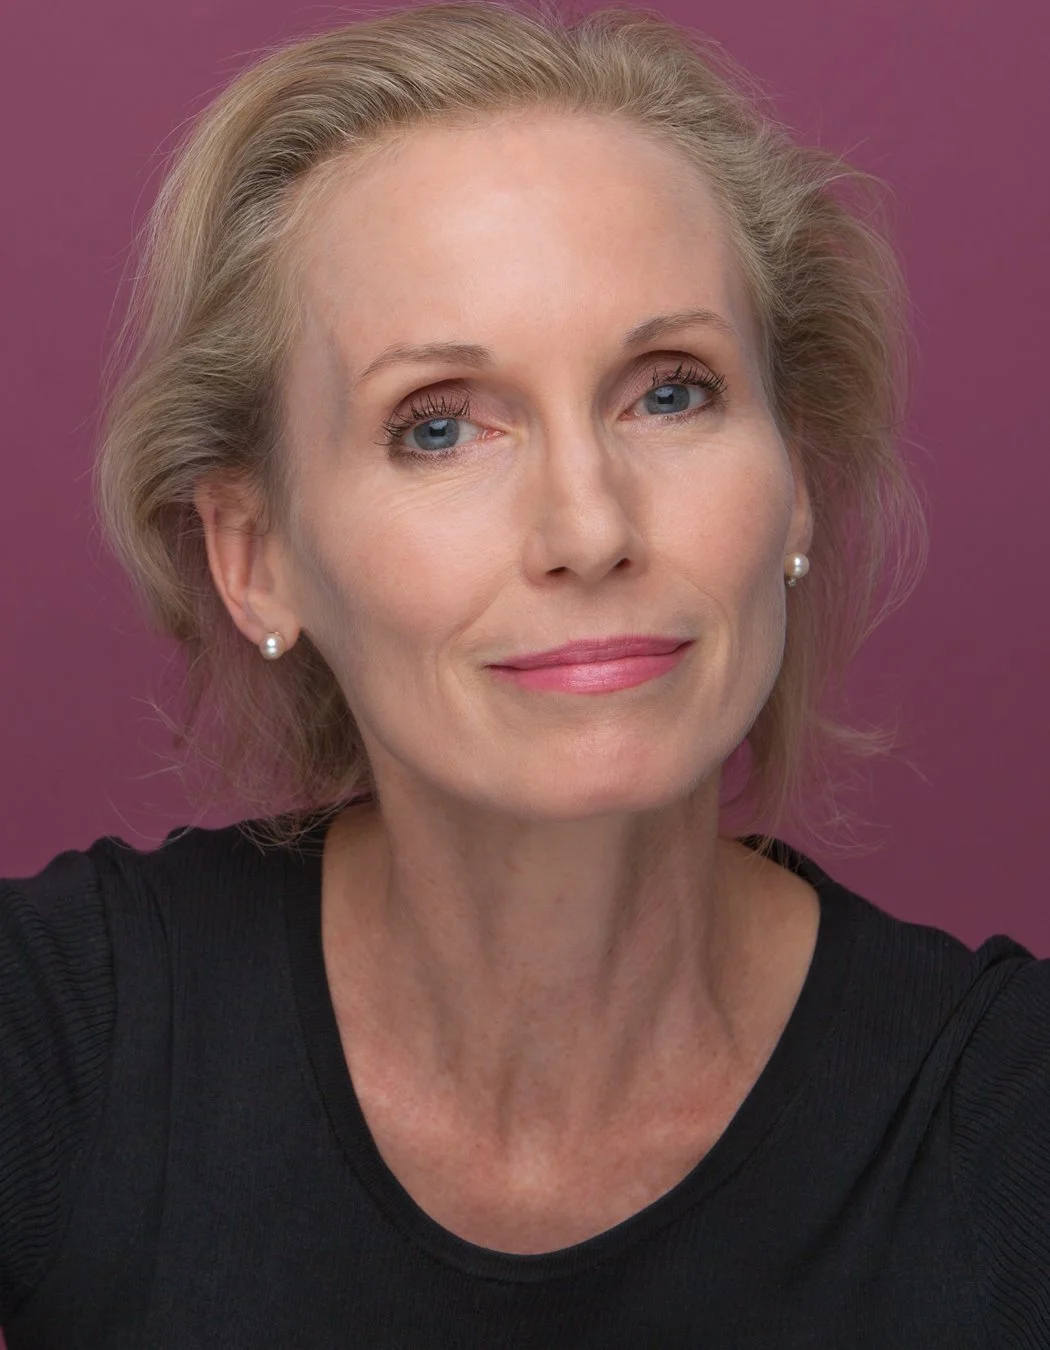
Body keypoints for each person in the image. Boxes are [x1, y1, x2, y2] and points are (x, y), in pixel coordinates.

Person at [2, 2, 1046, 1345]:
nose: (589, 529)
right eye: (438, 426)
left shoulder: (1008, 1125)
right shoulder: (58, 1036)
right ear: (254, 554)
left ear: (794, 481)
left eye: (668, 392)